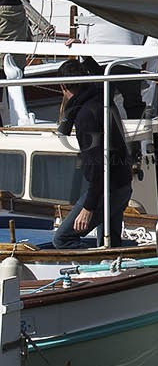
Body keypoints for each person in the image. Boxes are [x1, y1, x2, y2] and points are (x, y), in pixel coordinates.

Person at [45, 59, 134, 249]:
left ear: (63, 86)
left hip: (107, 190)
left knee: (62, 239)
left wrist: (88, 207)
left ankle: (95, 272)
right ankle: (111, 270)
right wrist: (85, 56)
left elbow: (97, 165)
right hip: (122, 184)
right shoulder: (102, 97)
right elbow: (100, 76)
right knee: (110, 245)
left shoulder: (86, 115)